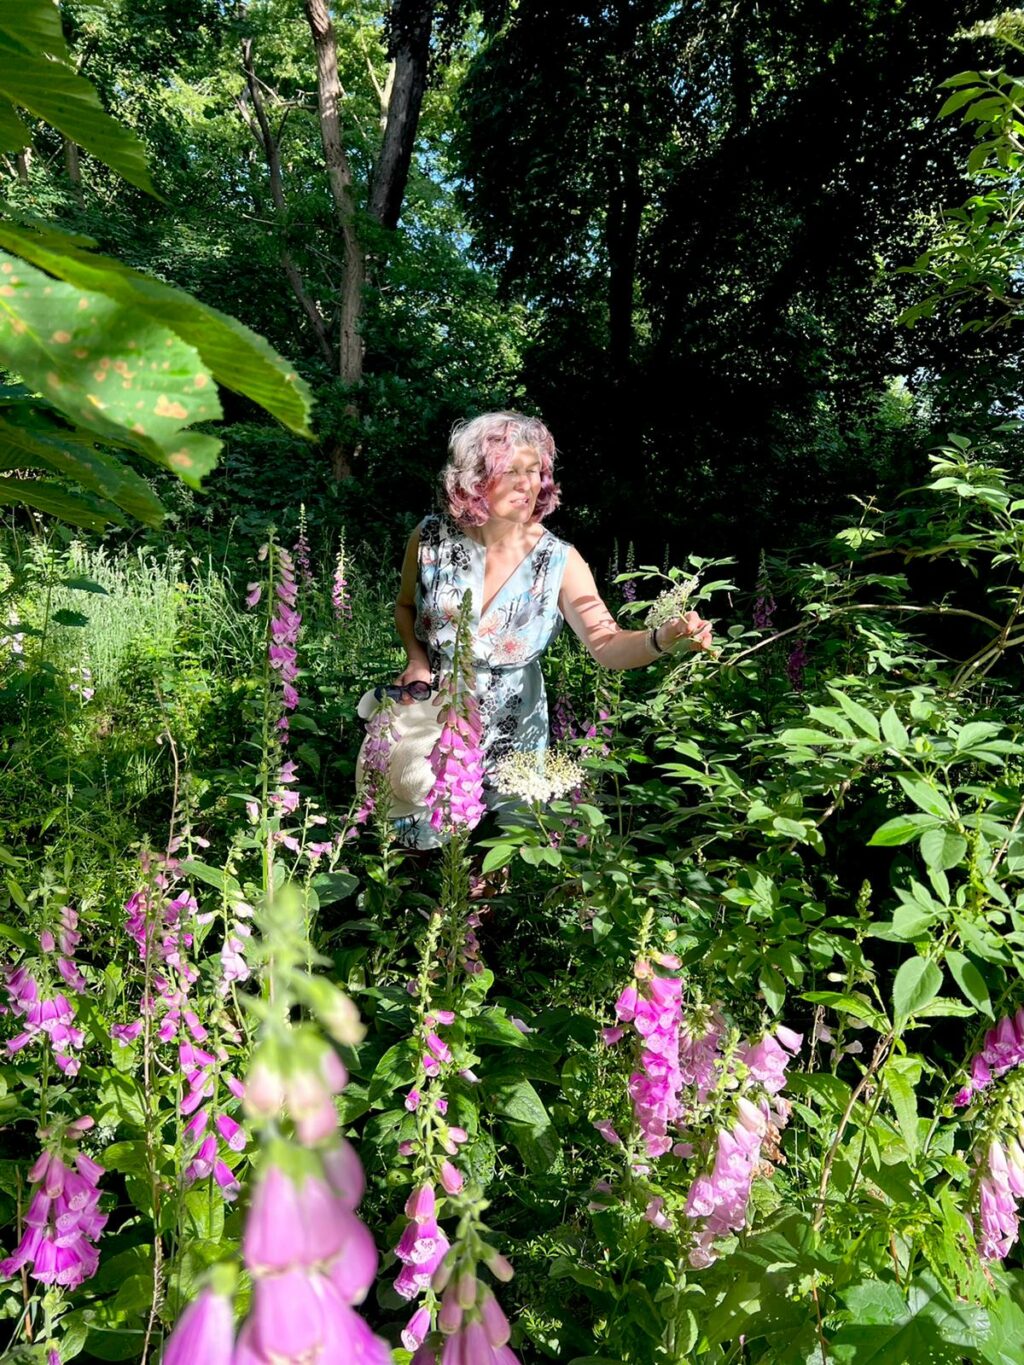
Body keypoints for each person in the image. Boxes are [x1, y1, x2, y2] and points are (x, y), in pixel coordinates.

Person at [389, 411, 713, 845]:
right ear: (474, 478)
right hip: (437, 716)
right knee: (420, 844)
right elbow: (405, 607)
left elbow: (607, 644)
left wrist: (662, 638)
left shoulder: (558, 559)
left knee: (508, 850)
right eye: (512, 471)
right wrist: (416, 659)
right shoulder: (431, 538)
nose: (528, 484)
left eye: (535, 471)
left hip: (515, 728)